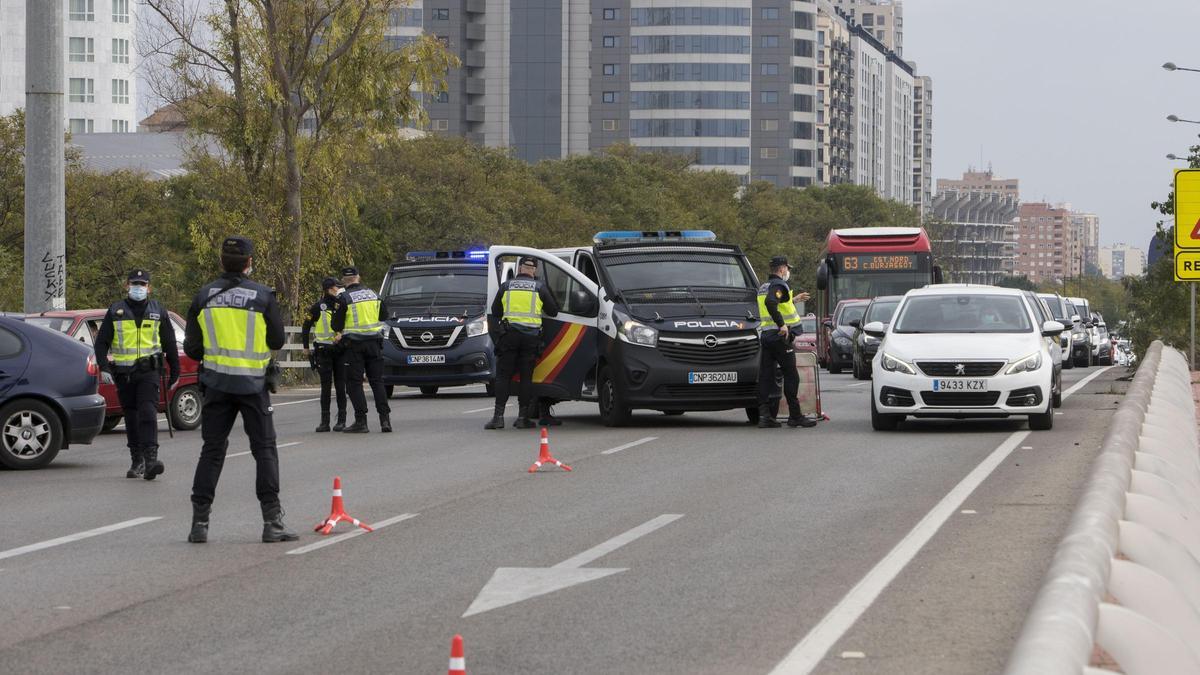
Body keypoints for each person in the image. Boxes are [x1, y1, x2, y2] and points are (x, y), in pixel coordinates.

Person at [183, 236, 297, 544]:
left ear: (221, 262)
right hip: (252, 385)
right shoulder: (262, 296)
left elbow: (192, 348)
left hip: (216, 385)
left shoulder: (203, 296)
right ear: (249, 263)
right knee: (264, 451)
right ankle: (272, 523)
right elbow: (276, 341)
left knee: (212, 452)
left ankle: (199, 524)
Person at [94, 269, 180, 480]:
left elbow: (169, 342)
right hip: (124, 373)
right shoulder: (115, 311)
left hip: (149, 371)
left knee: (148, 412)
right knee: (131, 416)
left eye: (142, 284)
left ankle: (151, 460)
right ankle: (137, 460)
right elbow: (102, 342)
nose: (138, 288)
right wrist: (104, 367)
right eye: (135, 284)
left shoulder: (158, 310)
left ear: (149, 288)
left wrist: (175, 370)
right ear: (127, 286)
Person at [485, 256, 560, 430]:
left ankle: (498, 417)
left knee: (503, 376)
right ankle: (522, 418)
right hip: (531, 337)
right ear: (534, 270)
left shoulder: (506, 286)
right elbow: (554, 311)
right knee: (526, 377)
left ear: (519, 269)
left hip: (509, 335)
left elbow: (496, 310)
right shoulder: (539, 287)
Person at [757, 255, 816, 429]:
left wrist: (794, 300)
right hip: (780, 338)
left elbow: (775, 302)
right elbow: (771, 302)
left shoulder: (763, 287)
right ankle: (795, 416)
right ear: (782, 269)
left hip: (767, 337)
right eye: (787, 269)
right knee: (792, 376)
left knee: (766, 376)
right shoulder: (779, 284)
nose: (788, 272)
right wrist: (782, 325)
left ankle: (765, 416)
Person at [331, 266, 390, 433]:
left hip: (354, 345)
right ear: (358, 277)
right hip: (374, 343)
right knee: (377, 381)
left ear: (343, 280)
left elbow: (336, 325)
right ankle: (385, 420)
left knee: (354, 383)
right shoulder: (373, 294)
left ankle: (361, 421)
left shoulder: (344, 298)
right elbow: (384, 316)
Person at [301, 277, 347, 432]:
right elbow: (306, 326)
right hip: (325, 350)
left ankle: (338, 420)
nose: (338, 290)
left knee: (336, 386)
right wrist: (306, 347)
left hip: (336, 350)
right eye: (336, 287)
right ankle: (327, 421)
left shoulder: (340, 304)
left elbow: (347, 325)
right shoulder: (318, 307)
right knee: (330, 386)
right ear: (329, 289)